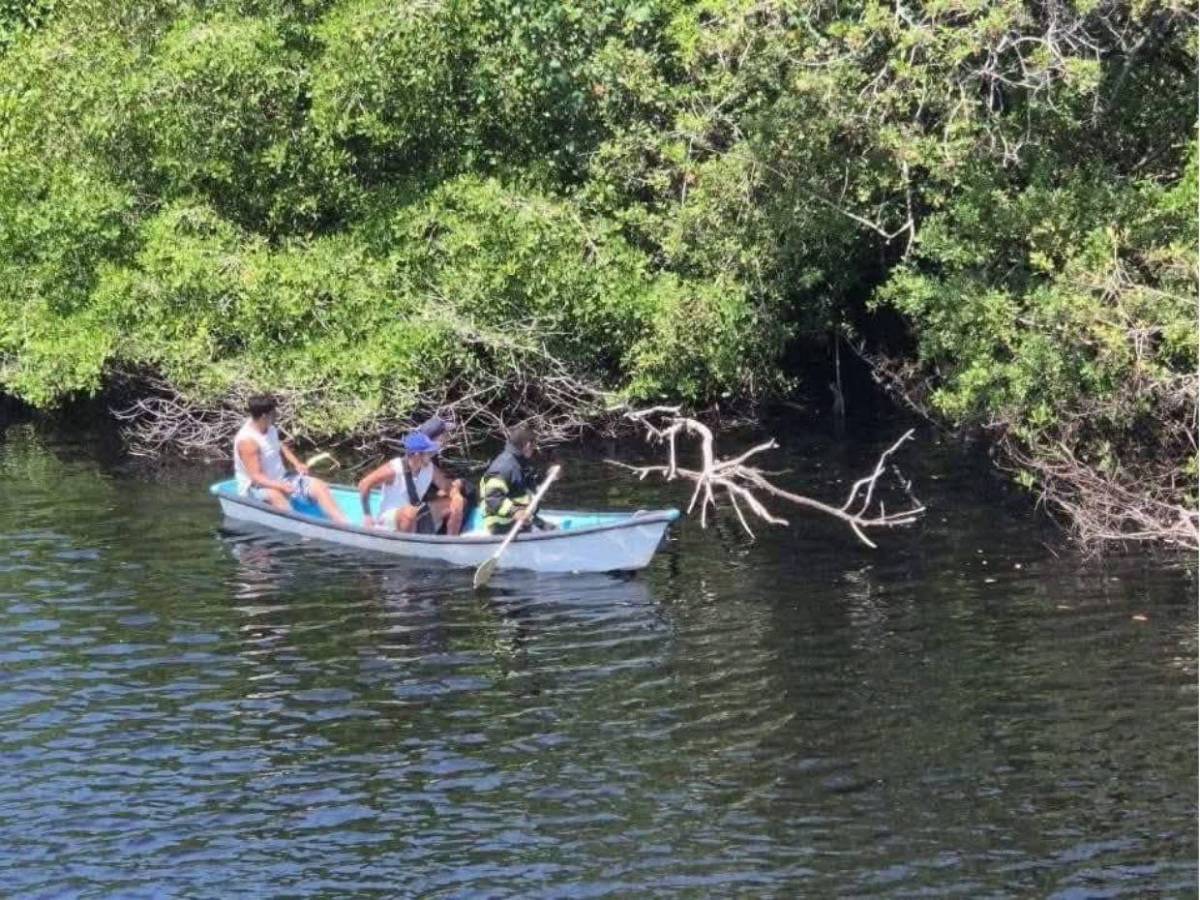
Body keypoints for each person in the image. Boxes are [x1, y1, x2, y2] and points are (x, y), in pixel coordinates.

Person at [233, 395, 347, 524]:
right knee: (276, 496)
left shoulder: (270, 428)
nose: (277, 414)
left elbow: (279, 446)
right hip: (255, 488)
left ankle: (343, 524)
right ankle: (300, 529)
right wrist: (279, 486)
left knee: (319, 486)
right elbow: (256, 477)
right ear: (264, 416)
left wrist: (297, 463)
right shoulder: (248, 441)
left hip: (282, 478)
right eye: (274, 412)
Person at [357, 431, 466, 535]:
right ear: (418, 455)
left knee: (457, 503)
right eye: (428, 453)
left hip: (415, 512)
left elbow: (448, 486)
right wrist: (367, 516)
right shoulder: (394, 469)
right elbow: (364, 484)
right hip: (390, 519)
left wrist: (456, 496)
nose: (432, 455)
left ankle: (451, 543)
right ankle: (405, 548)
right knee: (409, 513)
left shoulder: (430, 468)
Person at [479, 425, 553, 534]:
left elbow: (525, 487)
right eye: (534, 447)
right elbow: (493, 497)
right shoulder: (503, 467)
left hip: (524, 519)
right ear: (527, 445)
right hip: (501, 524)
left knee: (551, 530)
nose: (534, 450)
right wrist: (515, 512)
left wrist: (549, 476)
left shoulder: (520, 463)